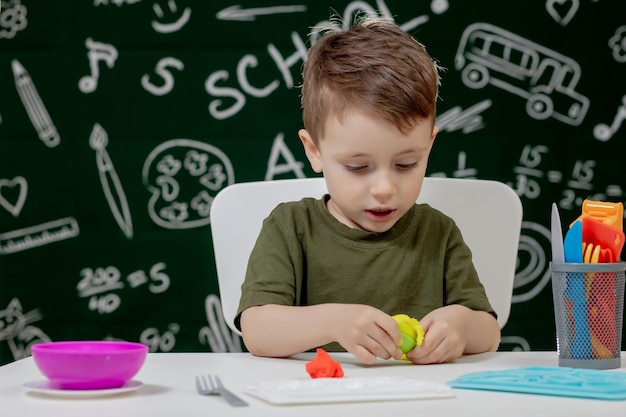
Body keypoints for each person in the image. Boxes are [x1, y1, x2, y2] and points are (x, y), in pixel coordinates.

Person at [235, 17, 500, 365]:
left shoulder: (439, 232)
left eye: (406, 164)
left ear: (429, 146)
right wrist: (333, 322)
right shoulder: (291, 226)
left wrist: (462, 326)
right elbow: (257, 332)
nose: (385, 188)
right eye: (358, 167)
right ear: (314, 151)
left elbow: (489, 333)